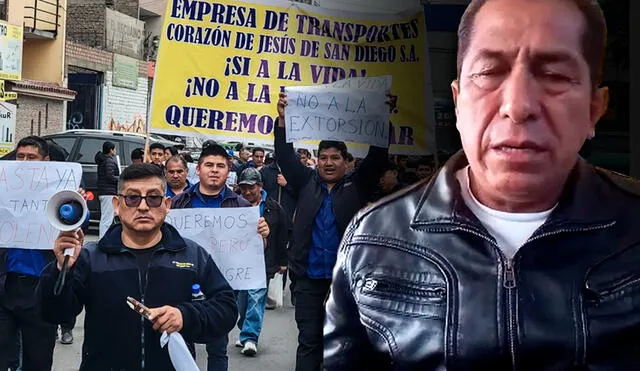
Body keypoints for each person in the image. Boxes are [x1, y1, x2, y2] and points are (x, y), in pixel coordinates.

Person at [323, 0, 625, 369]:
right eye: (488, 72)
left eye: (556, 76)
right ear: (458, 103)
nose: (517, 105)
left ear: (595, 107)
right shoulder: (373, 239)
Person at [37, 164, 238, 370]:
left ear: (167, 204)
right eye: (132, 198)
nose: (143, 207)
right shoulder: (91, 257)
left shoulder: (192, 255)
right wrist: (61, 271)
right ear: (117, 204)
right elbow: (54, 314)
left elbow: (226, 308)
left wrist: (185, 316)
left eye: (153, 198)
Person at [276, 93, 391, 371]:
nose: (328, 163)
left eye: (335, 158)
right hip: (308, 282)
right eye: (323, 157)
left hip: (347, 284)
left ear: (346, 161)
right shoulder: (305, 183)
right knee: (310, 342)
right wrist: (282, 120)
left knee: (346, 344)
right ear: (316, 161)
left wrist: (384, 117)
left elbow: (377, 158)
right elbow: (284, 155)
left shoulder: (359, 184)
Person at [171, 143, 270, 371]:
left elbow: (255, 251)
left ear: (228, 171)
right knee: (182, 346)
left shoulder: (242, 207)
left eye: (220, 166)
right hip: (184, 283)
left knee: (218, 347)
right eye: (209, 165)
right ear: (198, 169)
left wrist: (263, 235)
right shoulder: (179, 204)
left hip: (222, 286)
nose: (214, 170)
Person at [0, 136, 88, 371]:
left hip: (40, 289)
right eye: (20, 156)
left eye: (32, 157)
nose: (25, 162)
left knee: (37, 360)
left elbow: (81, 226)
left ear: (46, 161)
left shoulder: (61, 192)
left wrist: (75, 201)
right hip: (6, 286)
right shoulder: (5, 189)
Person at [235, 168, 290, 356]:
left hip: (263, 261)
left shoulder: (274, 208)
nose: (248, 192)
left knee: (256, 298)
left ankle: (250, 337)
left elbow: (283, 235)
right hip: (239, 261)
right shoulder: (233, 204)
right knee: (242, 301)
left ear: (260, 186)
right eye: (244, 188)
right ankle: (244, 328)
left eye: (251, 187)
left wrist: (283, 261)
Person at [95, 141, 120, 238]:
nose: (115, 150)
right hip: (108, 192)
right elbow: (110, 177)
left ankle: (105, 237)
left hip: (105, 192)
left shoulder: (103, 160)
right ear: (111, 150)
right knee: (107, 218)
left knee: (107, 217)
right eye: (114, 148)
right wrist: (120, 178)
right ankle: (103, 238)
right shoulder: (109, 161)